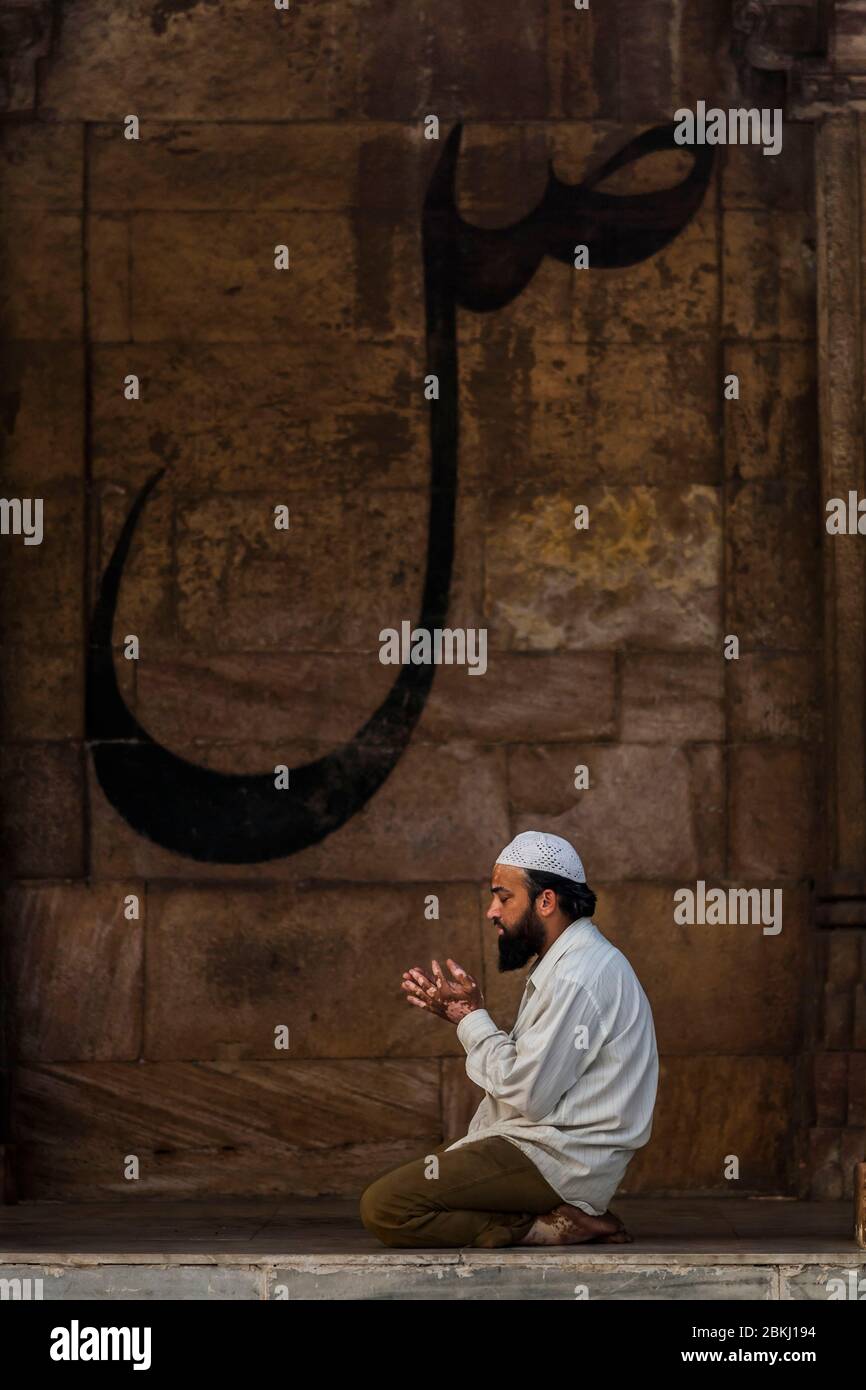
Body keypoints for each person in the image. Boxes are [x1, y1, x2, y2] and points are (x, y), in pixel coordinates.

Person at [359, 830, 659, 1248]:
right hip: (541, 1148)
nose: (491, 911)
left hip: (559, 1160)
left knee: (387, 1207)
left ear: (546, 901)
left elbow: (530, 1094)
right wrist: (465, 1017)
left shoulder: (579, 976)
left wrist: (472, 1019)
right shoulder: (573, 962)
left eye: (504, 897)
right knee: (433, 1174)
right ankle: (548, 1216)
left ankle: (552, 1227)